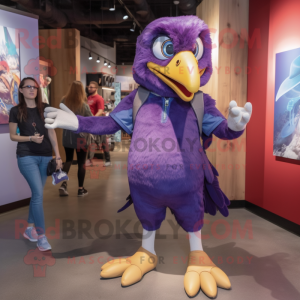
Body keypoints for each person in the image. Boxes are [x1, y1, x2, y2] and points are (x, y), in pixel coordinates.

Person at [9, 77, 62, 251]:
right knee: (38, 194)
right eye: (28, 87)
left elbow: (52, 133)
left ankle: (29, 229)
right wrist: (30, 138)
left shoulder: (45, 109)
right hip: (26, 156)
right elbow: (13, 136)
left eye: (35, 87)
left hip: (45, 157)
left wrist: (58, 156)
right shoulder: (16, 111)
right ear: (22, 90)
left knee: (36, 194)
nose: (32, 89)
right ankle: (41, 236)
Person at [58, 81, 93, 197]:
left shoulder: (64, 101)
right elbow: (90, 120)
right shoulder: (84, 105)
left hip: (67, 136)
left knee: (68, 160)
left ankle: (63, 184)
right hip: (81, 137)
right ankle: (80, 189)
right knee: (81, 163)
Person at [86, 81, 111, 167]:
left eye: (91, 87)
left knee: (103, 142)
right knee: (92, 141)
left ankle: (108, 160)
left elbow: (100, 111)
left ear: (96, 88)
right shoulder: (88, 98)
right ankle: (89, 160)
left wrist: (93, 118)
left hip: (99, 123)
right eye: (89, 87)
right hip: (91, 123)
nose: (89, 88)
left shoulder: (99, 98)